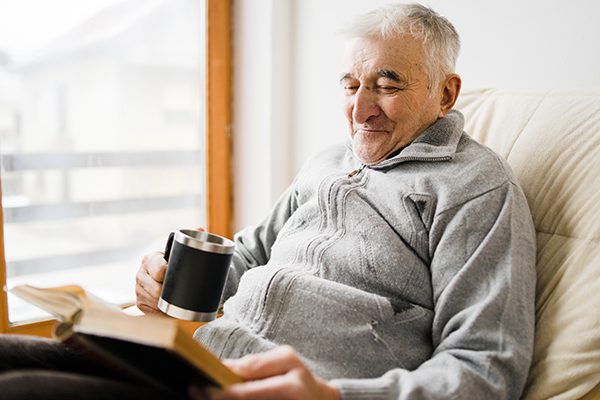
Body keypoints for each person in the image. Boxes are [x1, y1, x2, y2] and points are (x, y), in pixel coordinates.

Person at [0, 3, 536, 400]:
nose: (361, 109)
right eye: (351, 86)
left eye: (387, 85)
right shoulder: (328, 161)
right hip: (201, 356)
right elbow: (250, 256)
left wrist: (335, 397)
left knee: (23, 391)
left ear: (446, 93)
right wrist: (166, 279)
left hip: (277, 390)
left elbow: (486, 369)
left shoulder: (474, 186)